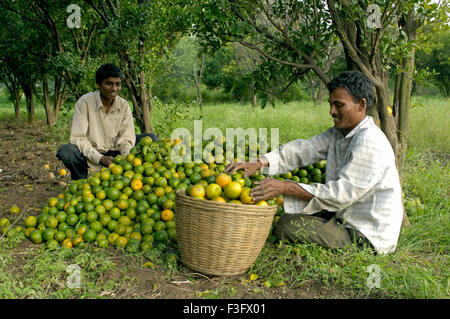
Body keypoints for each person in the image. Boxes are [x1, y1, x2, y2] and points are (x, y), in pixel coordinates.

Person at [225, 70, 403, 255]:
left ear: (361, 105)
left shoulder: (369, 142)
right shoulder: (340, 133)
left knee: (285, 225)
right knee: (292, 211)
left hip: (364, 233)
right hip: (343, 214)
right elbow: (305, 149)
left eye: (338, 105)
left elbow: (339, 195)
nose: (332, 111)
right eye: (331, 104)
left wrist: (286, 187)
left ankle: (351, 246)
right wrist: (260, 163)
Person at [56, 63, 158, 180]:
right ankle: (81, 181)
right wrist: (100, 158)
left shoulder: (123, 105)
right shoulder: (85, 102)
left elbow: (126, 138)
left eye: (117, 84)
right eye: (109, 83)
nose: (114, 88)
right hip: (91, 152)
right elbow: (78, 138)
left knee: (151, 139)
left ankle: (138, 179)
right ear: (98, 84)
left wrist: (126, 160)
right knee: (67, 152)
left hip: (116, 151)